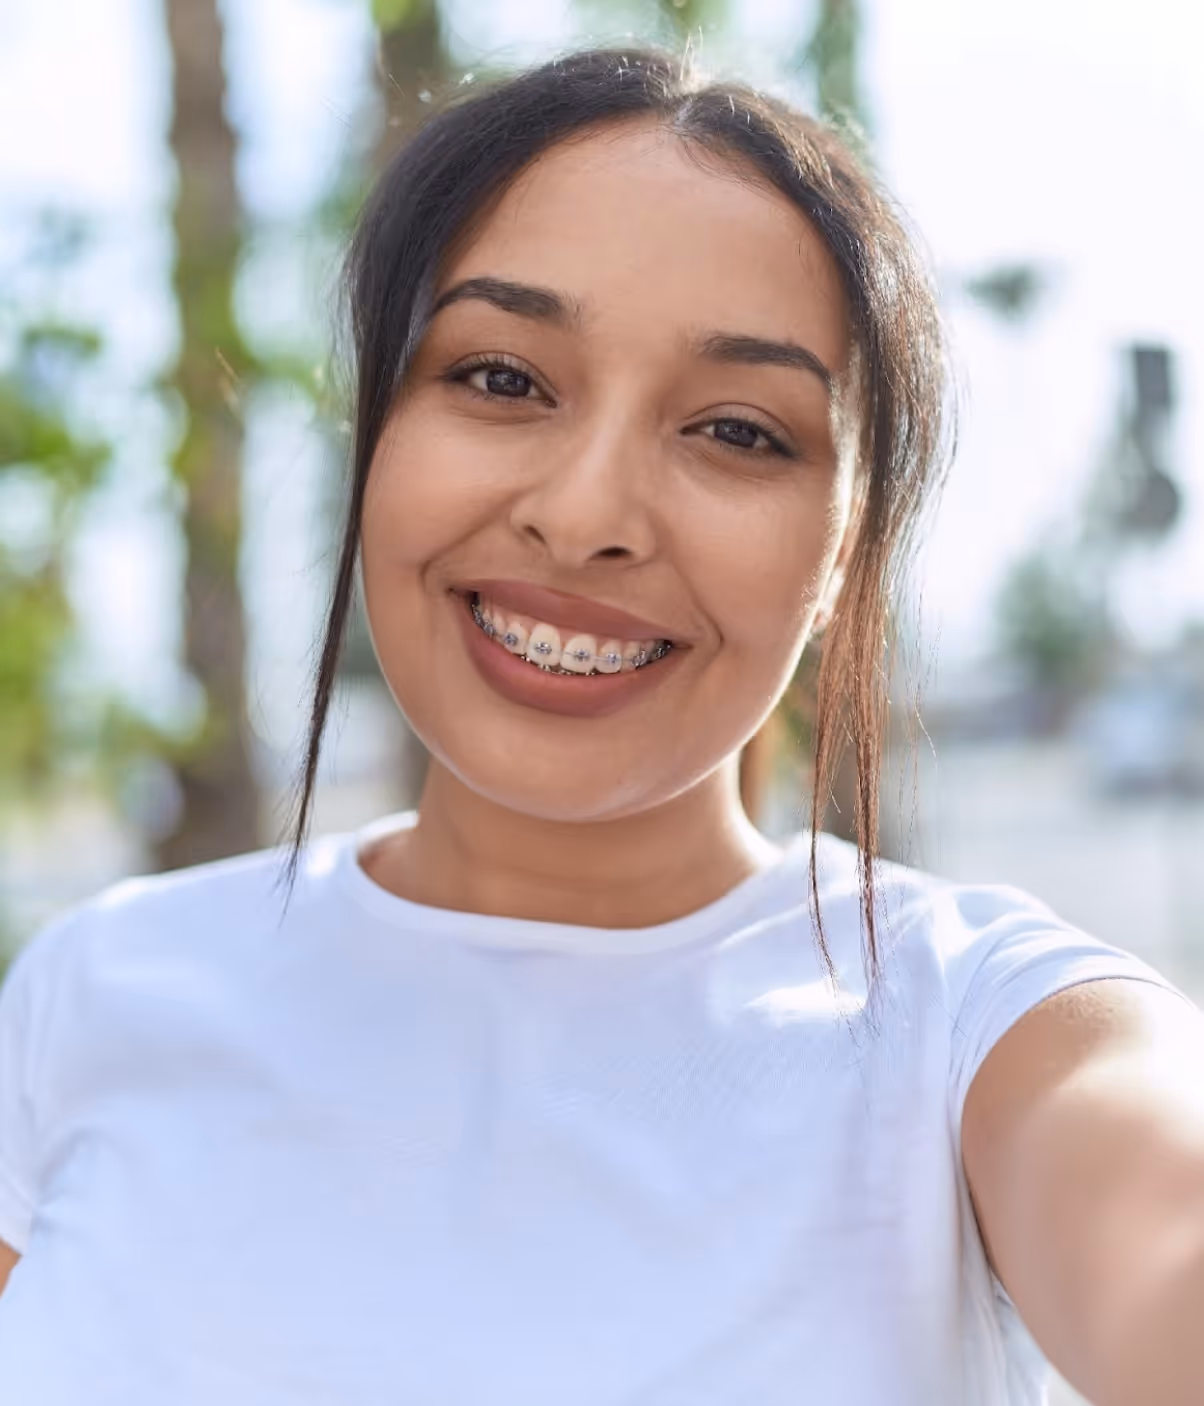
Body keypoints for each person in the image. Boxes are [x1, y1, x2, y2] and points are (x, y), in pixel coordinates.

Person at [0, 46, 1201, 1406]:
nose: (585, 517)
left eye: (740, 432)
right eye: (503, 378)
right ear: (374, 431)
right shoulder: (97, 987)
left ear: (845, 554)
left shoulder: (983, 1031)